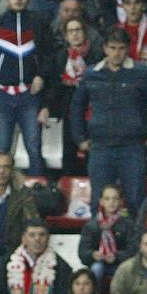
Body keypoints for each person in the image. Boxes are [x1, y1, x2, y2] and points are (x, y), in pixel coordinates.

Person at [70, 26, 147, 215]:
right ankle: (99, 244)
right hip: (100, 147)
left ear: (128, 49)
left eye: (121, 48)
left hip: (132, 147)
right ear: (105, 48)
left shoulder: (141, 73)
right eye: (113, 48)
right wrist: (80, 138)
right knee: (98, 202)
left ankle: (134, 243)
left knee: (135, 200)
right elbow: (76, 106)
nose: (117, 53)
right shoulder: (91, 74)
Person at [0, 0, 56, 177]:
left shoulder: (38, 22)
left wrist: (41, 76)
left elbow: (51, 53)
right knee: (1, 148)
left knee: (34, 147)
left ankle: (35, 194)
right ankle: (3, 195)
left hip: (29, 95)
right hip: (2, 95)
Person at [47, 16, 103, 176]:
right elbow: (54, 84)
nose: (75, 34)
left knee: (92, 154)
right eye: (70, 31)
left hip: (92, 112)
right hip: (69, 111)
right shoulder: (61, 56)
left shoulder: (96, 55)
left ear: (85, 32)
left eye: (78, 30)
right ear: (66, 36)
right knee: (70, 154)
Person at [0, 218, 73, 294]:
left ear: (48, 238)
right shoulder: (5, 263)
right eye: (32, 235)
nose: (37, 239)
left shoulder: (61, 266)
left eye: (42, 235)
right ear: (23, 239)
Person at [77, 184, 136, 286]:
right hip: (99, 263)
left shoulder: (128, 224)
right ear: (101, 202)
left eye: (115, 199)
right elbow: (82, 252)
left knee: (125, 271)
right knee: (96, 269)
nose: (111, 202)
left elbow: (133, 250)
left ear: (121, 202)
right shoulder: (91, 225)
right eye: (107, 199)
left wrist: (116, 257)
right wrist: (93, 255)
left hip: (121, 263)